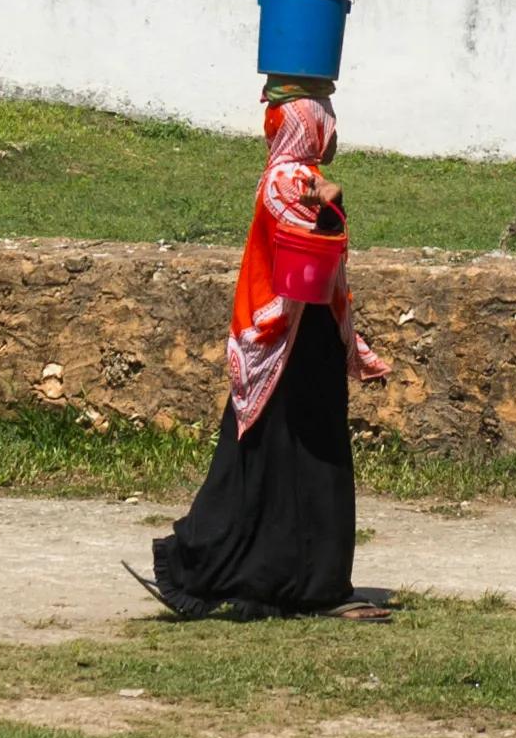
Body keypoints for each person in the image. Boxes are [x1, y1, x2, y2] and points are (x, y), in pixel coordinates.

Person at [143, 79, 390, 618]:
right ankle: (205, 564)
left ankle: (308, 581)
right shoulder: (286, 180)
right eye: (323, 120)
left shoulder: (308, 178)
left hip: (309, 339)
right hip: (282, 343)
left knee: (303, 460)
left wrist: (330, 200)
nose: (332, 131)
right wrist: (326, 205)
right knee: (276, 458)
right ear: (310, 130)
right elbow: (302, 247)